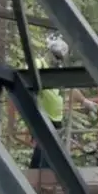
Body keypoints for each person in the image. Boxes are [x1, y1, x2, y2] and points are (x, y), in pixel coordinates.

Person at [27, 36, 69, 171]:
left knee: (51, 147)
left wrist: (85, 102)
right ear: (49, 52)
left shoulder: (58, 71)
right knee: (44, 144)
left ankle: (45, 171)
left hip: (56, 117)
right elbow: (28, 74)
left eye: (60, 58)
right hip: (42, 114)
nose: (57, 60)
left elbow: (70, 89)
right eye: (56, 56)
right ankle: (38, 171)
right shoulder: (40, 63)